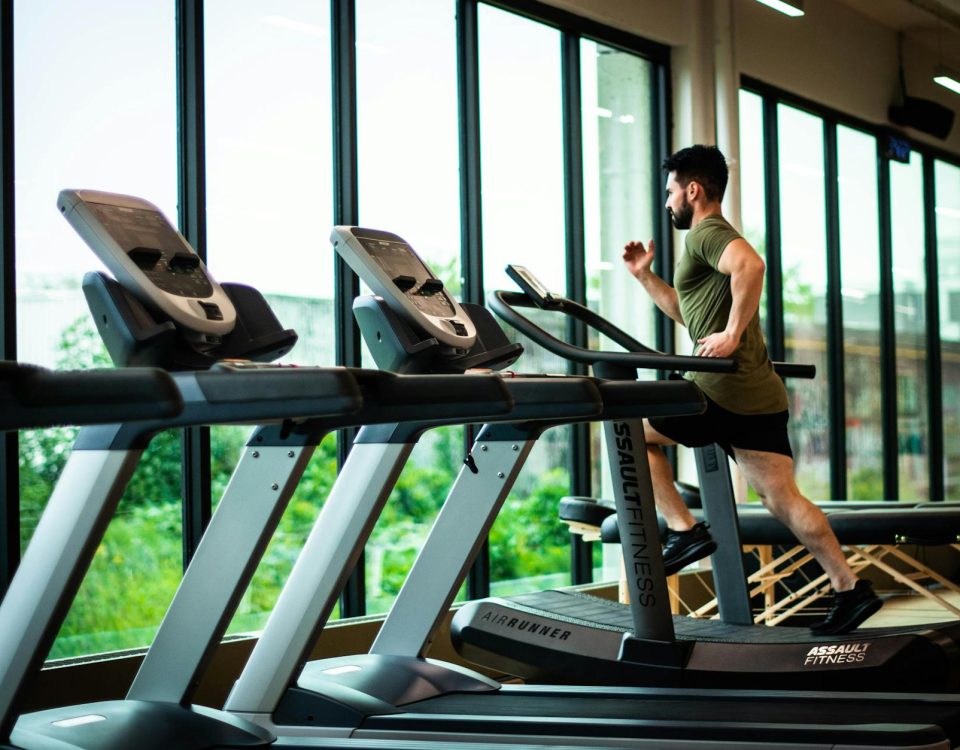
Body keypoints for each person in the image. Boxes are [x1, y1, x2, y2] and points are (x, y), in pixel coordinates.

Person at [622, 144, 881, 636]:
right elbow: (689, 313)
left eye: (671, 191)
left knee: (629, 430)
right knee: (783, 499)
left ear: (692, 190)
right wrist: (645, 277)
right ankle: (849, 588)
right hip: (758, 394)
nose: (668, 202)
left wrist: (733, 335)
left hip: (717, 389)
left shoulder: (708, 234)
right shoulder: (707, 242)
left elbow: (752, 267)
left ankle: (684, 531)